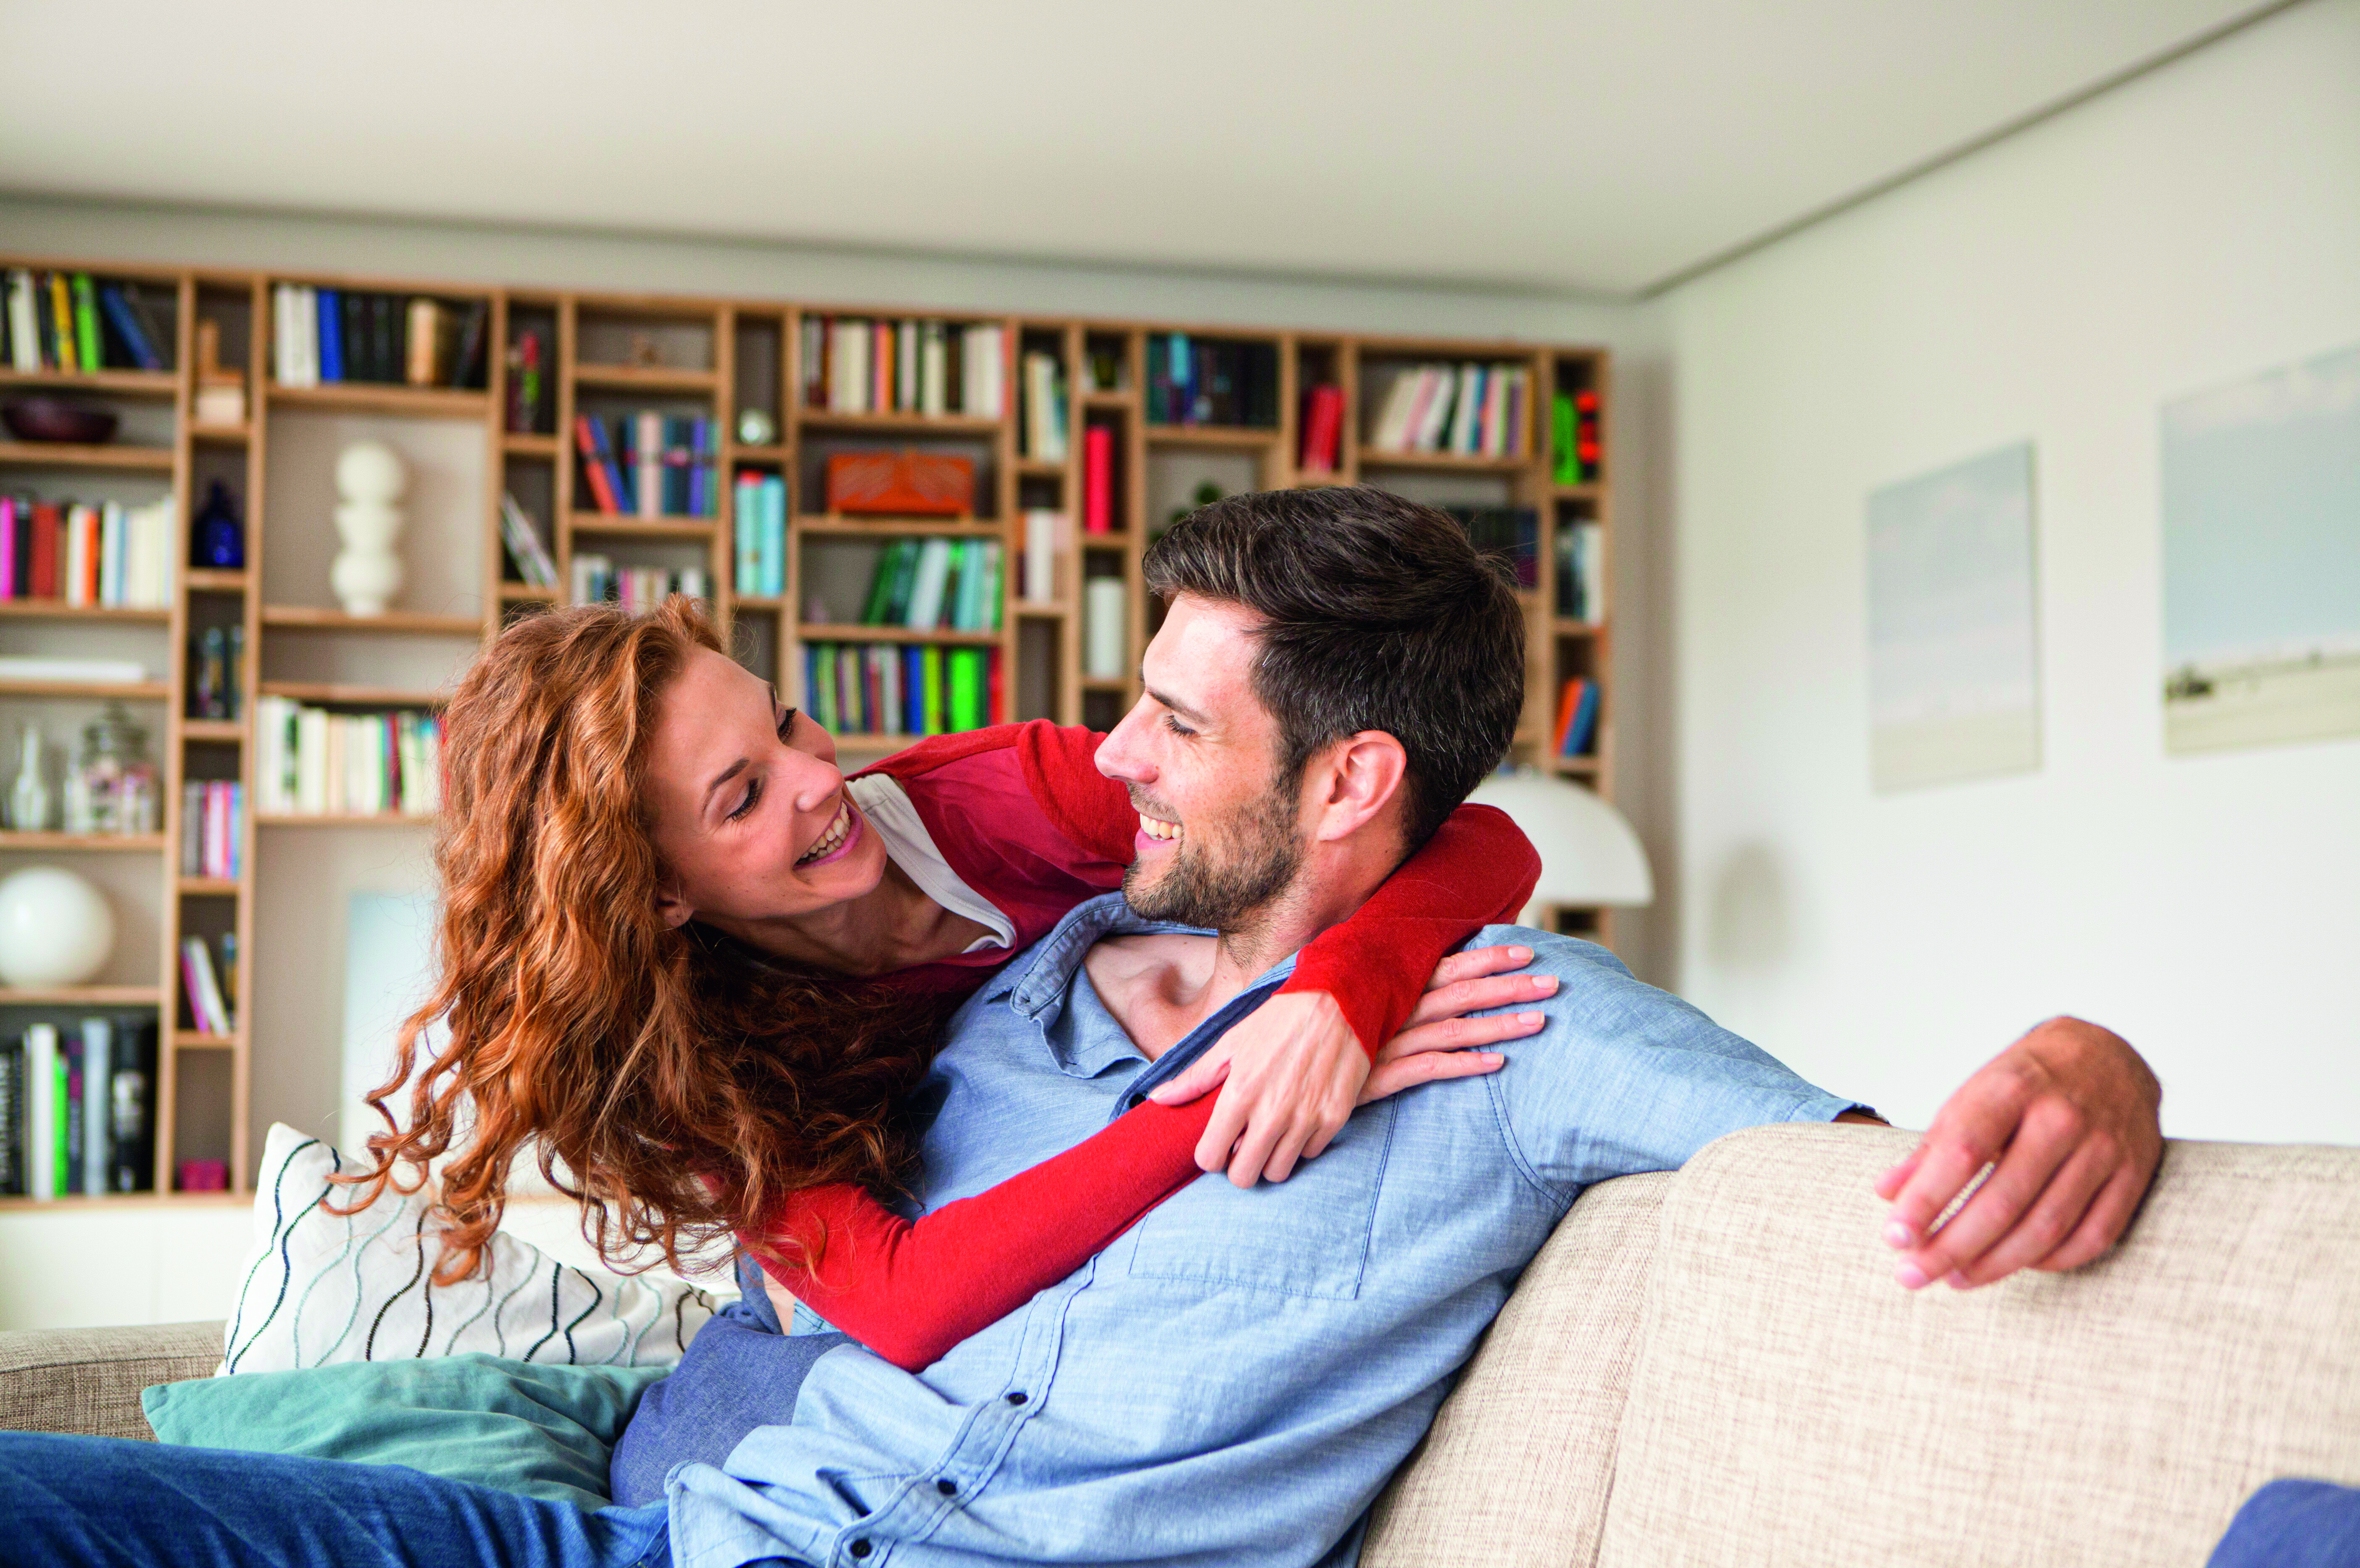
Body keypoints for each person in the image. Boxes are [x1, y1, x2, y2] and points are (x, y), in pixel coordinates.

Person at [0, 487, 2163, 1568]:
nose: (1098, 753)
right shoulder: (951, 1001)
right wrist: (1283, 1017)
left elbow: (1846, 1177)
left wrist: (2091, 1059)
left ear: (1340, 789)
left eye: (1164, 715)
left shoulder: (1519, 1030)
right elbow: (915, 1295)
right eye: (740, 803)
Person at [337, 593, 1549, 1370]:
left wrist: (1338, 996)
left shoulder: (1007, 797)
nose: (820, 779)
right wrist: (1231, 1088)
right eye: (744, 795)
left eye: (788, 724)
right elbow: (905, 1306)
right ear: (658, 894)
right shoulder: (690, 1066)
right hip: (873, 1328)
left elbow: (1479, 840)